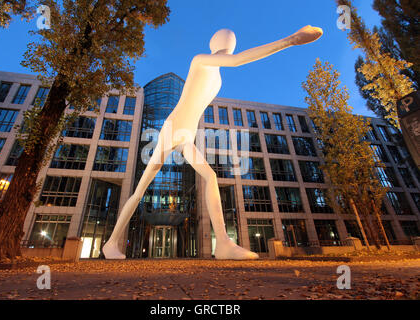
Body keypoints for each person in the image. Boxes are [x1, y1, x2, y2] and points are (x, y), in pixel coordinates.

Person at [103, 25, 323, 260]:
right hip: (172, 128)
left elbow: (233, 62)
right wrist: (290, 40)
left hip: (186, 135)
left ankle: (223, 244)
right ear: (222, 45)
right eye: (229, 41)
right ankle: (111, 243)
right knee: (140, 190)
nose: (231, 45)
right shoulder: (200, 61)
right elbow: (238, 61)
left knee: (210, 176)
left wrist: (292, 40)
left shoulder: (217, 79)